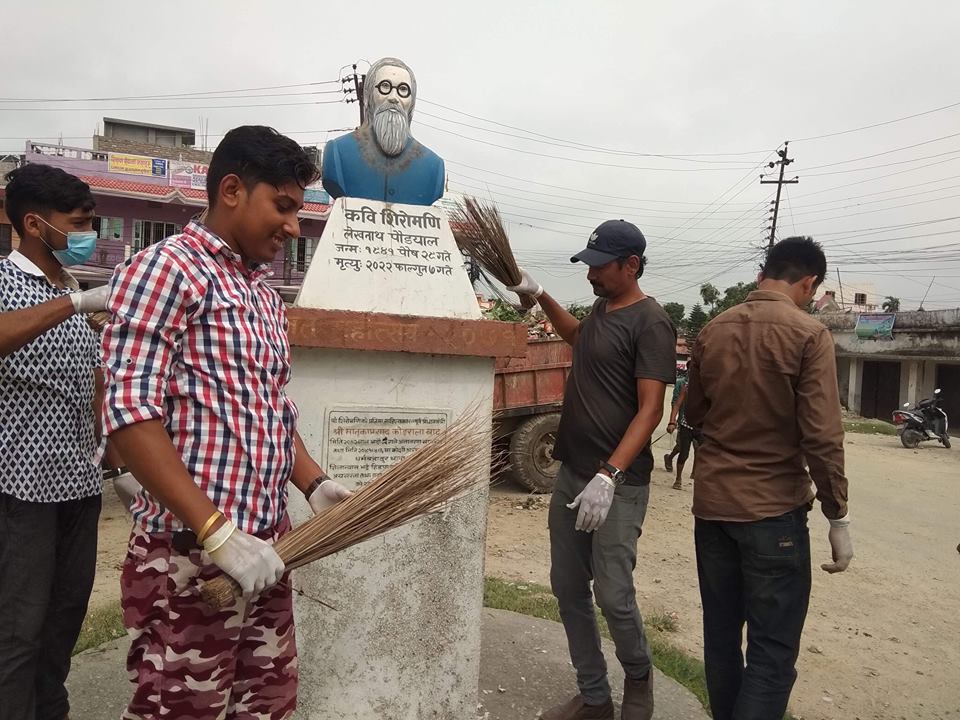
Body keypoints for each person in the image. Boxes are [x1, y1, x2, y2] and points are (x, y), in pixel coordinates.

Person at [102, 126, 352, 720]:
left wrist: (313, 482)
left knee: (265, 707)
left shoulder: (263, 296)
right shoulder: (166, 271)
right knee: (183, 707)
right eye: (284, 207)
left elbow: (268, 408)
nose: (294, 227)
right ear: (233, 190)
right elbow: (129, 414)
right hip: (190, 556)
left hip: (265, 550)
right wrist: (215, 530)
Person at [508, 220, 676, 720]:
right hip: (573, 473)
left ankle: (639, 678)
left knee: (614, 594)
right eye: (589, 266)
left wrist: (610, 474)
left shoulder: (653, 323)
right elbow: (578, 336)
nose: (592, 275)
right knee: (567, 587)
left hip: (616, 485)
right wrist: (539, 295)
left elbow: (651, 410)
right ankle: (595, 695)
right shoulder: (603, 310)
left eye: (600, 267)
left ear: (632, 265)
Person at [685, 236, 853, 720]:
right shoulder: (808, 334)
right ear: (809, 282)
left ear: (765, 273)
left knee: (720, 643)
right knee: (772, 654)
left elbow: (694, 410)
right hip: (772, 514)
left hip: (712, 509)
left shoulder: (712, 329)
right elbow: (822, 436)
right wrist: (837, 515)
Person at [0, 164, 114, 720]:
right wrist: (74, 305)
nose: (90, 233)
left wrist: (119, 465)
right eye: (80, 223)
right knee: (17, 628)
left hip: (78, 484)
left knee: (64, 616)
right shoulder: (7, 281)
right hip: (19, 489)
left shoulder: (68, 292)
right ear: (34, 224)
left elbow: (93, 387)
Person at [322, 57, 445, 205]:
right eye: (385, 86)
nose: (394, 98)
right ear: (369, 96)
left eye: (403, 90)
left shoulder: (433, 167)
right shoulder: (337, 153)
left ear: (412, 101)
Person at [663, 370, 699, 490]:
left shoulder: (712, 388)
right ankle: (678, 479)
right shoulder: (687, 387)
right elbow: (677, 404)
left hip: (702, 426)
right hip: (686, 424)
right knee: (684, 453)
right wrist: (672, 422)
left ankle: (699, 479)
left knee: (702, 453)